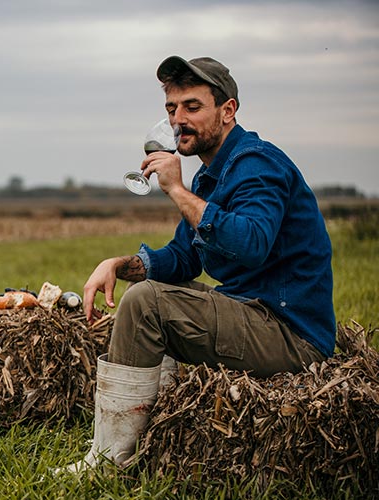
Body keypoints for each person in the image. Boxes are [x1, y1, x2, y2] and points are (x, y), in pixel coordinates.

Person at [62, 56, 335, 472]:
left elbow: (252, 245)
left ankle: (109, 461)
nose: (178, 120)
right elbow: (183, 257)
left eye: (192, 107)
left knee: (146, 303)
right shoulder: (212, 176)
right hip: (250, 312)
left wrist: (175, 188)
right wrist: (119, 264)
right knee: (147, 292)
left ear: (228, 111)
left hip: (290, 333)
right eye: (171, 109)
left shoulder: (258, 165)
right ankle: (154, 437)